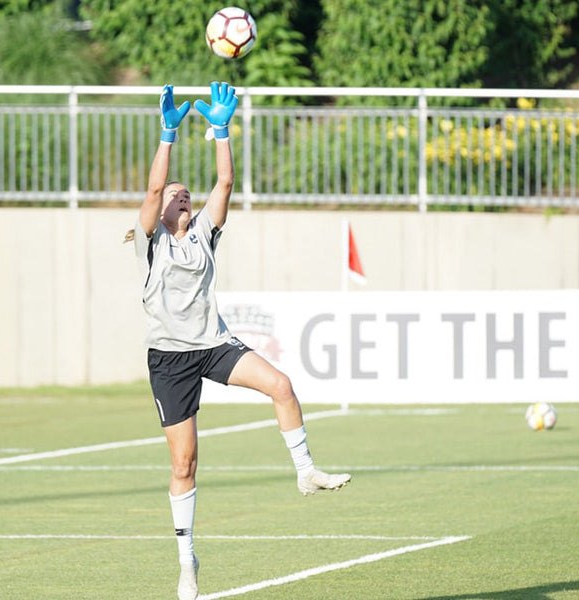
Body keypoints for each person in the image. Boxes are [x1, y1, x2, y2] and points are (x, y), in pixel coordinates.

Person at [131, 82, 352, 600]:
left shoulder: (204, 233)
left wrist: (221, 130)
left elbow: (225, 181)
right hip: (169, 360)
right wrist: (167, 135)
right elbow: (149, 191)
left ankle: (305, 472)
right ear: (159, 211)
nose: (182, 196)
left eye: (187, 193)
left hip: (213, 344)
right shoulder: (150, 243)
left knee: (281, 384)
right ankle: (187, 562)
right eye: (174, 194)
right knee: (184, 462)